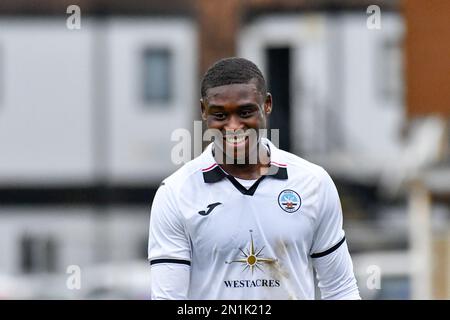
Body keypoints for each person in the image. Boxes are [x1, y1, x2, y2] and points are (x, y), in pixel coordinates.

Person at [148, 57, 360, 300]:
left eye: (245, 112)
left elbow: (341, 290)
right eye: (220, 115)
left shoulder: (313, 183)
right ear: (203, 111)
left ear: (267, 105)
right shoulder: (175, 193)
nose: (234, 126)